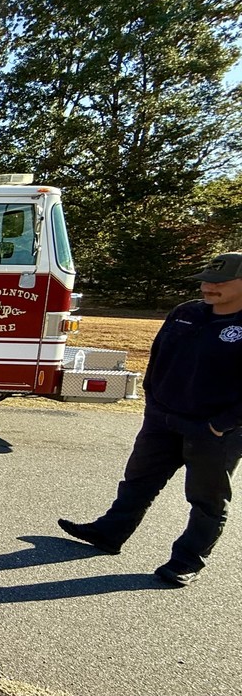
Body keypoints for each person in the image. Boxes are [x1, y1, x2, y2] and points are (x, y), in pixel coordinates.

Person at [59, 252, 242, 587]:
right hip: (163, 418)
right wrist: (152, 403)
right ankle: (109, 533)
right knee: (138, 481)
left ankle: (187, 560)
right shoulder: (186, 313)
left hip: (214, 430)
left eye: (218, 282)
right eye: (204, 280)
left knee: (207, 501)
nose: (207, 287)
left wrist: (221, 424)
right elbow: (158, 356)